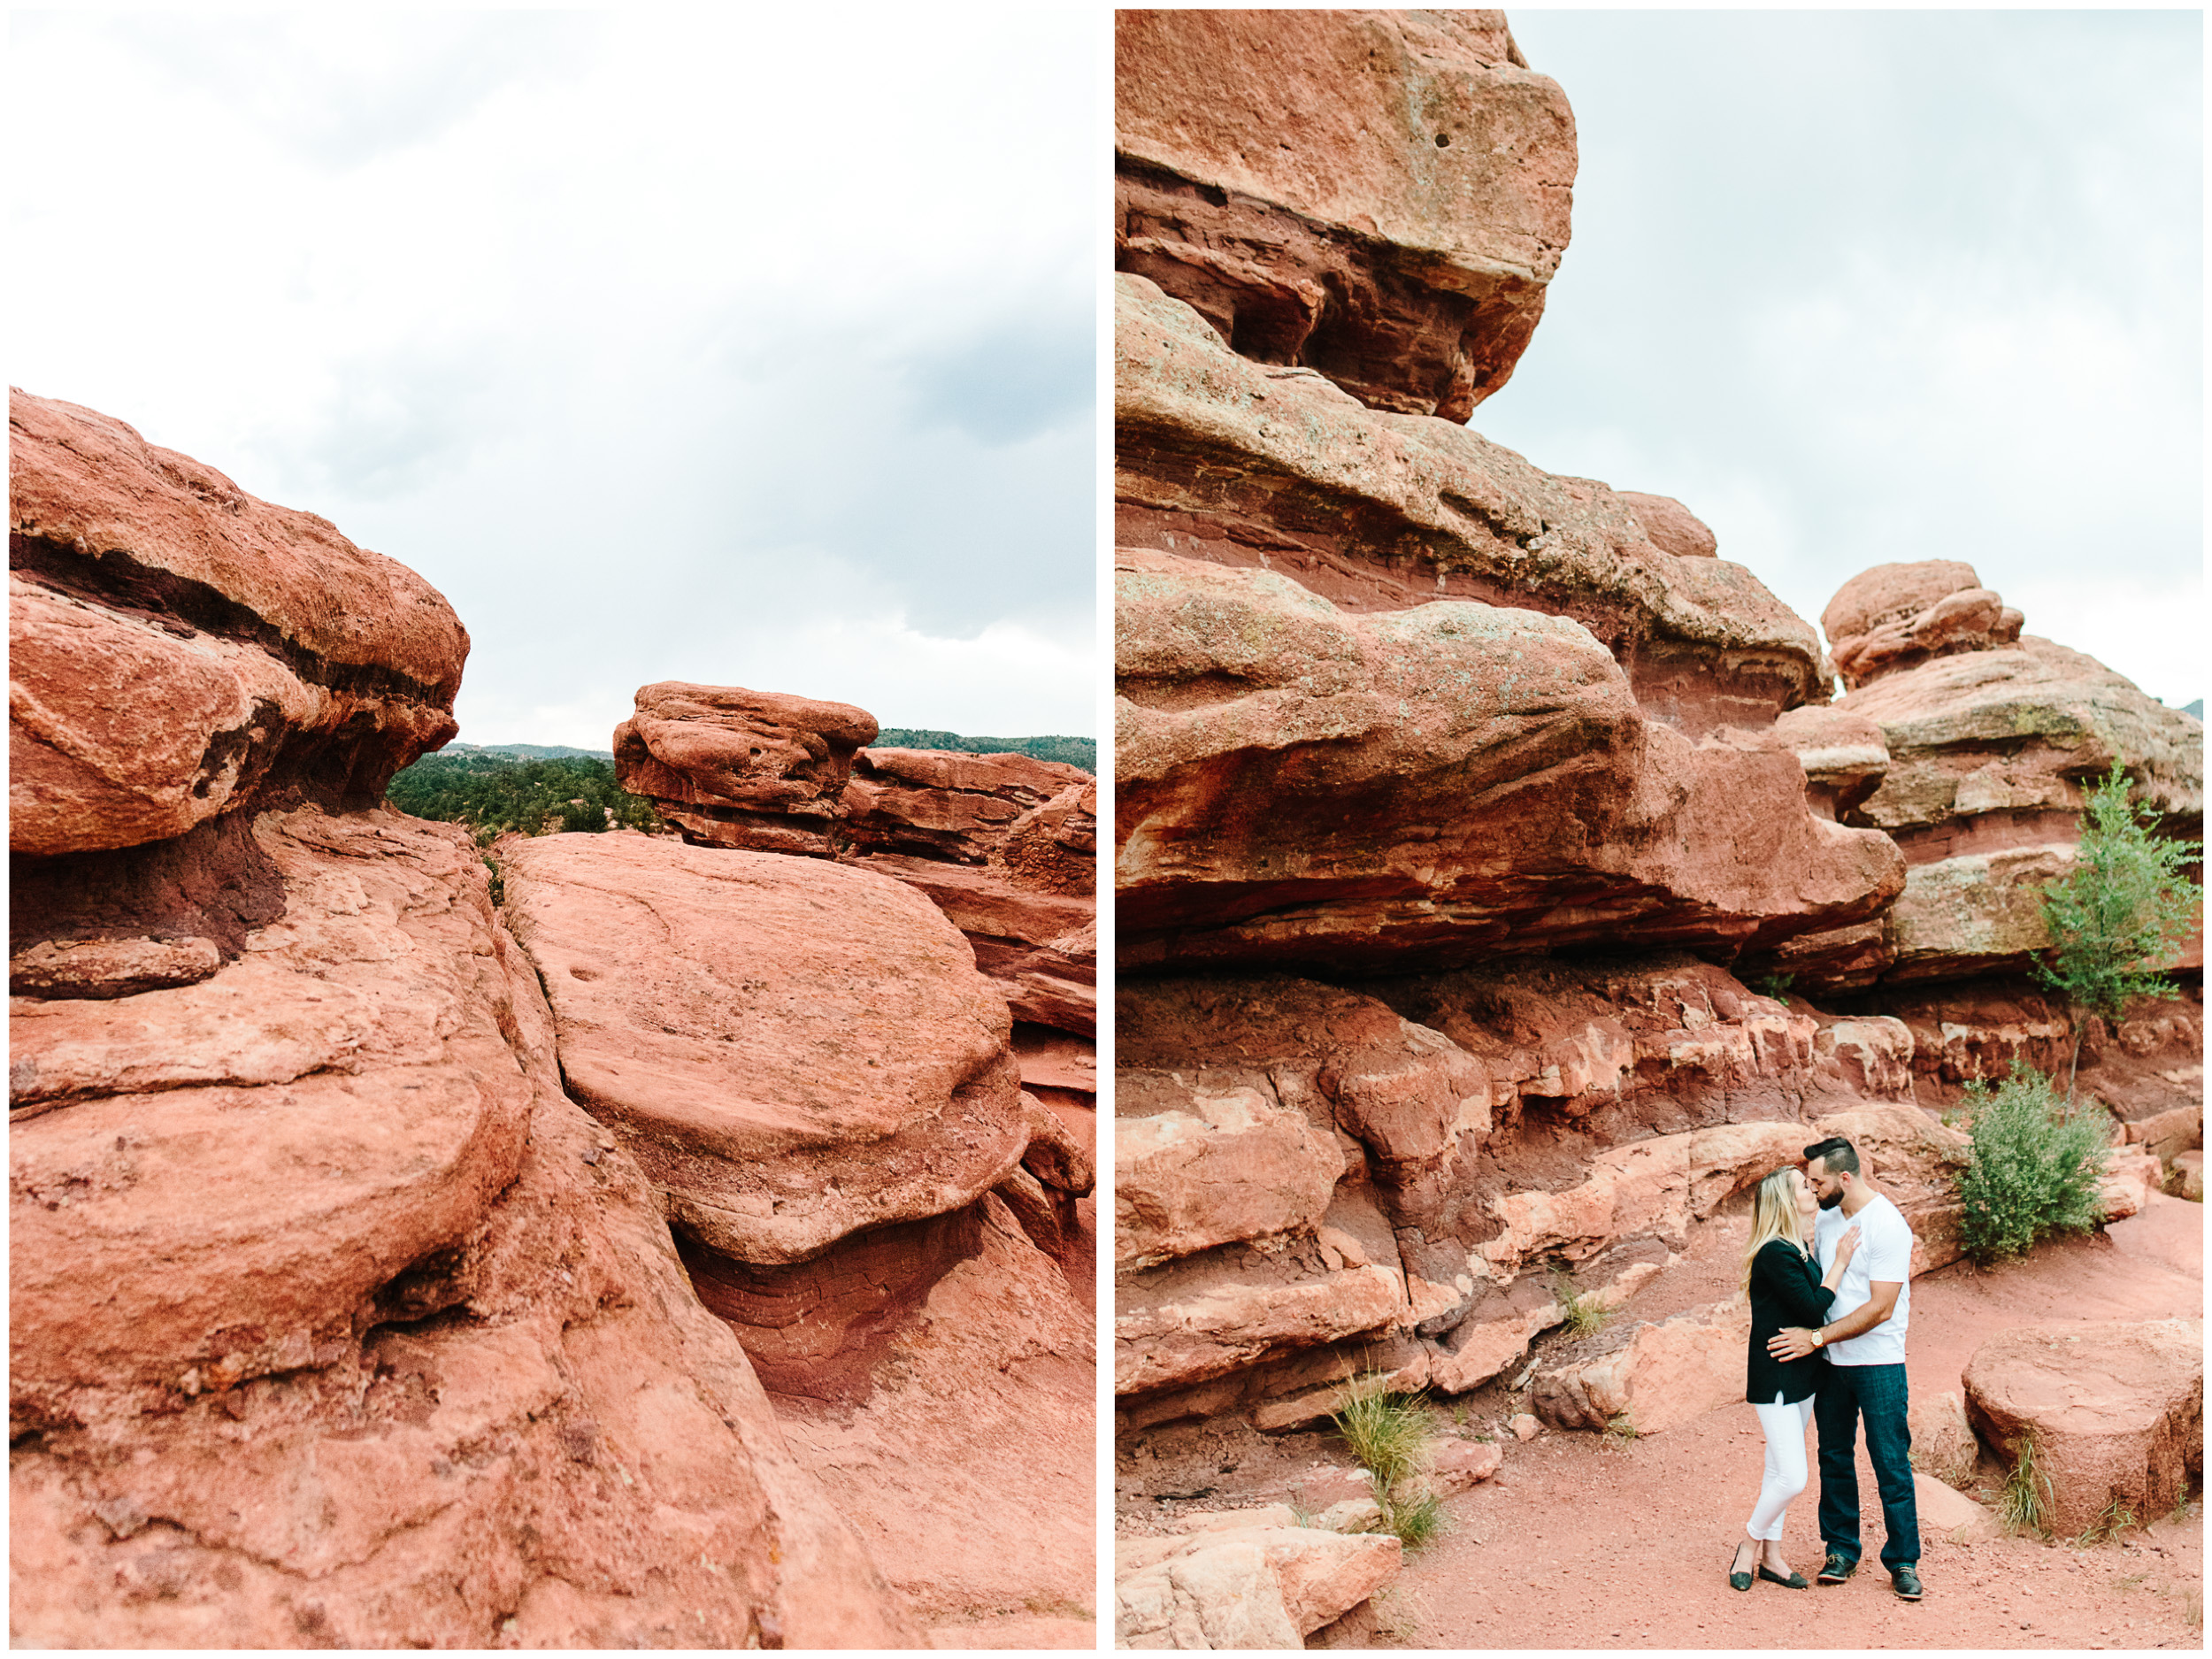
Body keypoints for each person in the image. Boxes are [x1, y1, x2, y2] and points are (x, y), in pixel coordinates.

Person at [1766, 1134, 1924, 1601]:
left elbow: (1881, 1308)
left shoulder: (1889, 1226)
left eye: (1817, 1182)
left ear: (1845, 1177)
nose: (1812, 1191)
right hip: (1832, 1364)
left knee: (1890, 1461)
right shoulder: (1829, 1219)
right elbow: (1822, 1284)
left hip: (1878, 1363)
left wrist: (1816, 1338)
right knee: (1834, 1457)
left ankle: (1903, 1561)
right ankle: (1841, 1549)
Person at [1729, 1165, 1859, 1592]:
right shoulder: (1774, 1253)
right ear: (1787, 1200)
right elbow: (1812, 1307)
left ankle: (1773, 1556)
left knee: (1775, 1471)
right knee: (1792, 1477)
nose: (1812, 1187)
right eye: (1804, 1185)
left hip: (1802, 1375)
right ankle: (1749, 1544)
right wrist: (1839, 1262)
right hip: (1777, 1379)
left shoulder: (1796, 1246)